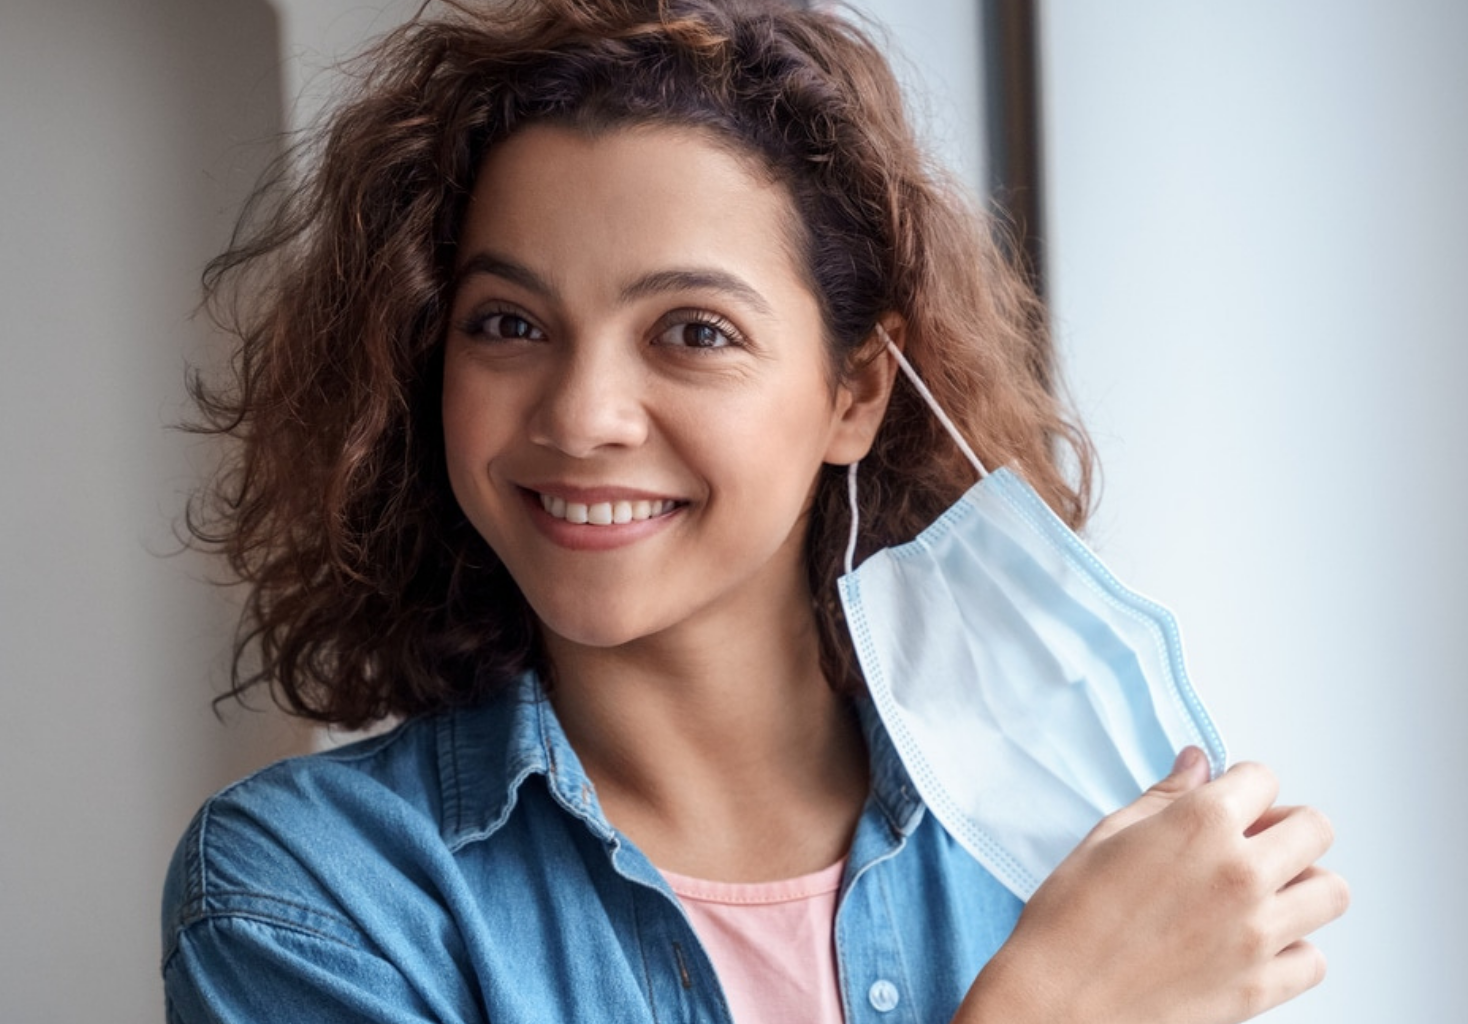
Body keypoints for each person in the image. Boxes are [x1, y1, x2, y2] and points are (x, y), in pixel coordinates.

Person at [162, 1, 1349, 1021]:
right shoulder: (310, 893)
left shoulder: (1088, 830)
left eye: (693, 331)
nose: (583, 416)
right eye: (509, 324)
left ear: (856, 394)